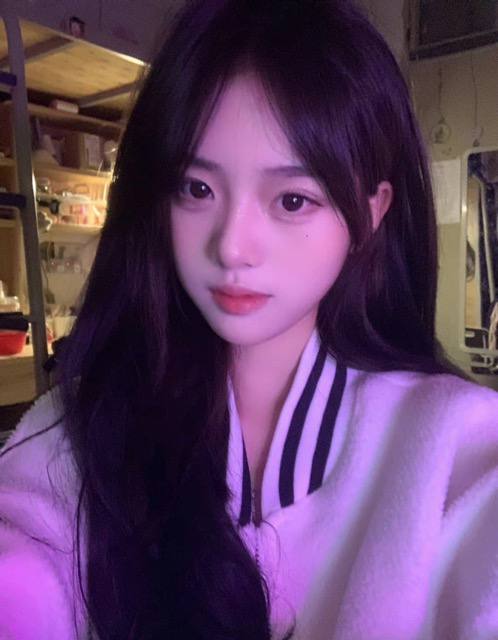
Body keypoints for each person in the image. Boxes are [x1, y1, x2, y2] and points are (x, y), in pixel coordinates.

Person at [0, 1, 497, 638]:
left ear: (371, 214)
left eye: (291, 200)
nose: (232, 247)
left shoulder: (451, 445)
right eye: (197, 189)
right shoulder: (76, 431)